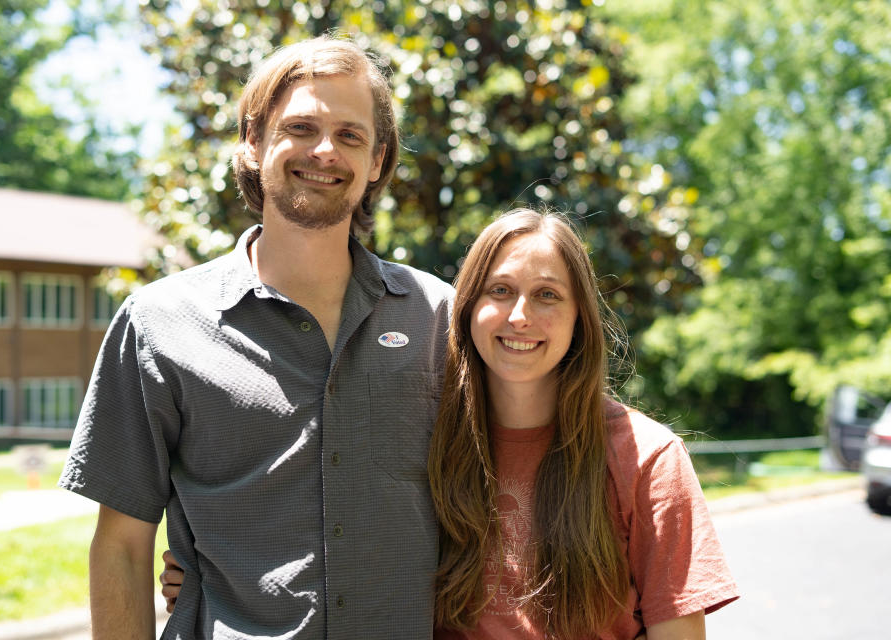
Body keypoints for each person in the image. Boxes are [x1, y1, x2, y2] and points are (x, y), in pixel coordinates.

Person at [163, 208, 739, 639]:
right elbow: (328, 518)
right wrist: (215, 570)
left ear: (580, 320)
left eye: (547, 296)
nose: (520, 316)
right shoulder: (424, 434)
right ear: (465, 309)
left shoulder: (646, 458)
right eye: (500, 290)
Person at [59, 36, 453, 639]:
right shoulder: (159, 323)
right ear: (254, 141)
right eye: (300, 127)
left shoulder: (439, 320)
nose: (325, 151)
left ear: (376, 162)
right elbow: (120, 545)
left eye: (350, 135)